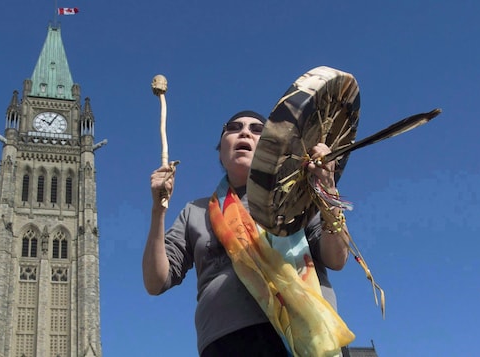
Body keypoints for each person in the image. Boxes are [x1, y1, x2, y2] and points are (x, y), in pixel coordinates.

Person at [142, 110, 352, 356]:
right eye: (233, 127)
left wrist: (327, 189)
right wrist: (158, 210)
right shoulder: (195, 211)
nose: (244, 132)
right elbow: (155, 282)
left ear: (273, 149)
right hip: (226, 342)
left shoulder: (298, 198)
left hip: (308, 334)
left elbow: (337, 258)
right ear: (220, 151)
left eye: (257, 130)